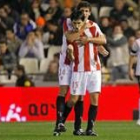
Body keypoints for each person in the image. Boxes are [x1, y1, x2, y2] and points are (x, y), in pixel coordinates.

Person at [53, 1, 108, 136]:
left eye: (87, 11)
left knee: (90, 98)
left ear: (90, 13)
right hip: (72, 64)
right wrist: (84, 33)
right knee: (71, 96)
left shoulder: (94, 26)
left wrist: (92, 41)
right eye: (82, 11)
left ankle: (86, 128)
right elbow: (70, 38)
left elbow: (103, 39)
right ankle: (60, 123)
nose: (85, 13)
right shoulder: (70, 23)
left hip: (93, 67)